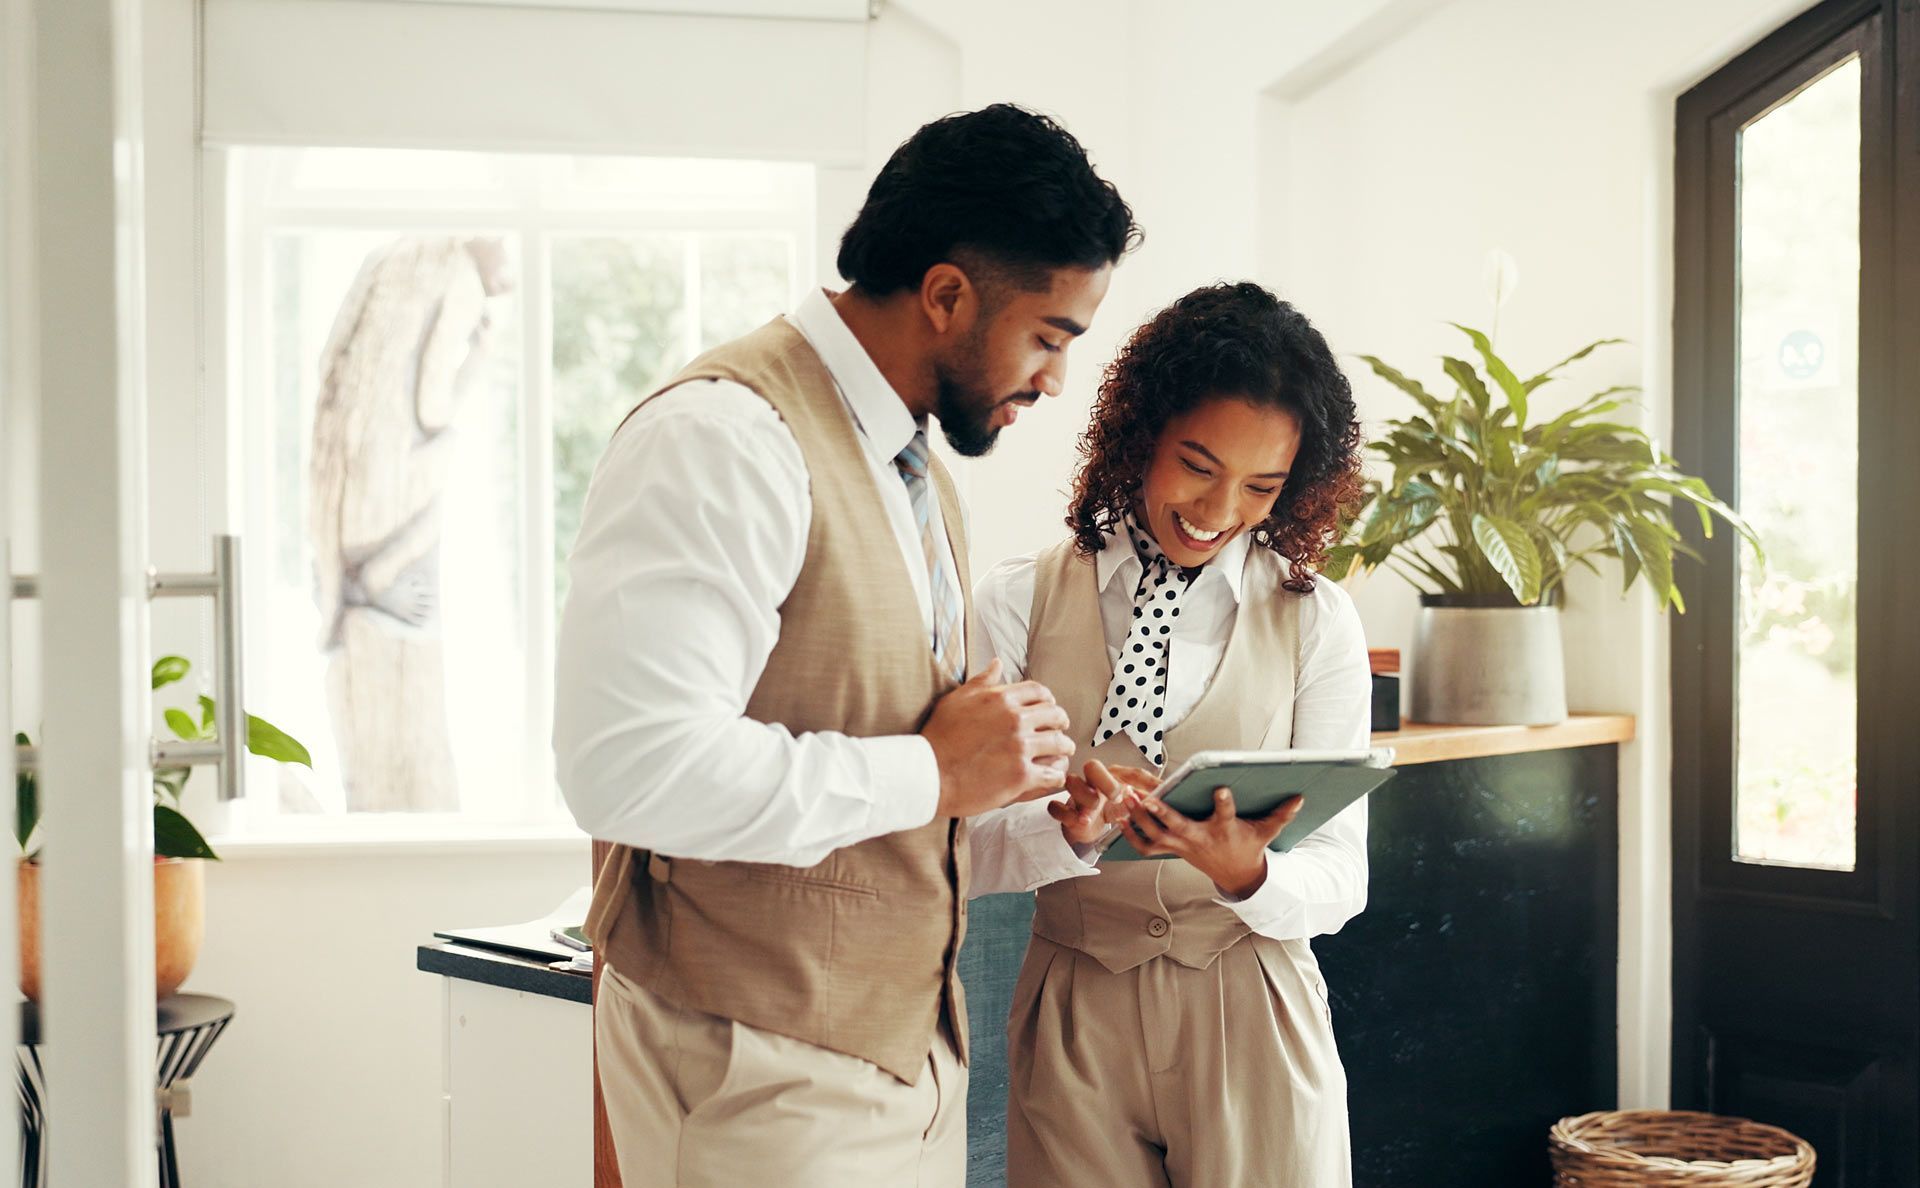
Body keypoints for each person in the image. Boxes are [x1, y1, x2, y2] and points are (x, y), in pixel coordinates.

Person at [553, 104, 1139, 1188]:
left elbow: (895, 832)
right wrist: (935, 766)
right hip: (751, 1076)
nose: (1056, 379)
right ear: (948, 293)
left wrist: (1044, 825)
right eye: (1051, 336)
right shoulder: (723, 439)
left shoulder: (915, 475)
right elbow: (625, 771)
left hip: (905, 1076)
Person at [972, 282, 1373, 1188]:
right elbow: (962, 852)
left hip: (1252, 1006)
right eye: (1198, 464)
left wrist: (1250, 872)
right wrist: (1062, 832)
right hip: (1072, 1013)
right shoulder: (1013, 602)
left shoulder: (1318, 622)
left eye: (1262, 485)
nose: (1220, 507)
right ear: (1140, 432)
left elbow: (1343, 878)